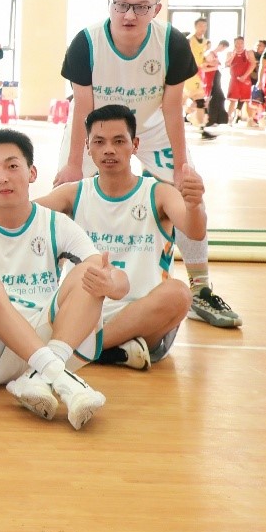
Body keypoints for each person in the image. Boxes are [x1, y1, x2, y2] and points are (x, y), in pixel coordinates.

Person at [56, 0, 239, 328]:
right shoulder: (86, 42)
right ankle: (56, 286)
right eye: (121, 4)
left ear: (156, 9)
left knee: (188, 196)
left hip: (152, 126)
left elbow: (172, 109)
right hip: (99, 128)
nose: (128, 15)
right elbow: (82, 108)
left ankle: (200, 289)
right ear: (109, 2)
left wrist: (182, 167)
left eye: (140, 7)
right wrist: (75, 163)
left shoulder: (171, 43)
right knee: (65, 195)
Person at [0, 129, 127, 430]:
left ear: (32, 173)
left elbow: (116, 278)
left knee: (90, 274)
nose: (2, 177)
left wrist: (110, 284)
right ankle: (64, 381)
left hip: (42, 340)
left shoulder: (55, 223)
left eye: (12, 166)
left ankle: (40, 376)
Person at [35, 105, 203, 369]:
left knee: (179, 294)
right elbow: (22, 216)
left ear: (135, 145)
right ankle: (112, 350)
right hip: (83, 312)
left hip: (145, 318)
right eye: (99, 142)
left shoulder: (159, 193)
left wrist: (194, 205)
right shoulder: (73, 193)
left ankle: (78, 348)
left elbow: (195, 231)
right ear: (87, 147)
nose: (109, 150)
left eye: (119, 141)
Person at [225, 36, 256, 124]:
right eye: (237, 43)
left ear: (243, 43)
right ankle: (228, 119)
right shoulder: (230, 53)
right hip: (234, 79)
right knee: (232, 100)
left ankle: (250, 120)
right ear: (234, 44)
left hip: (245, 79)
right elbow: (227, 64)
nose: (239, 45)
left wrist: (244, 76)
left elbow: (253, 64)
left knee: (247, 100)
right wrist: (233, 55)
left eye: (241, 43)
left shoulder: (248, 52)